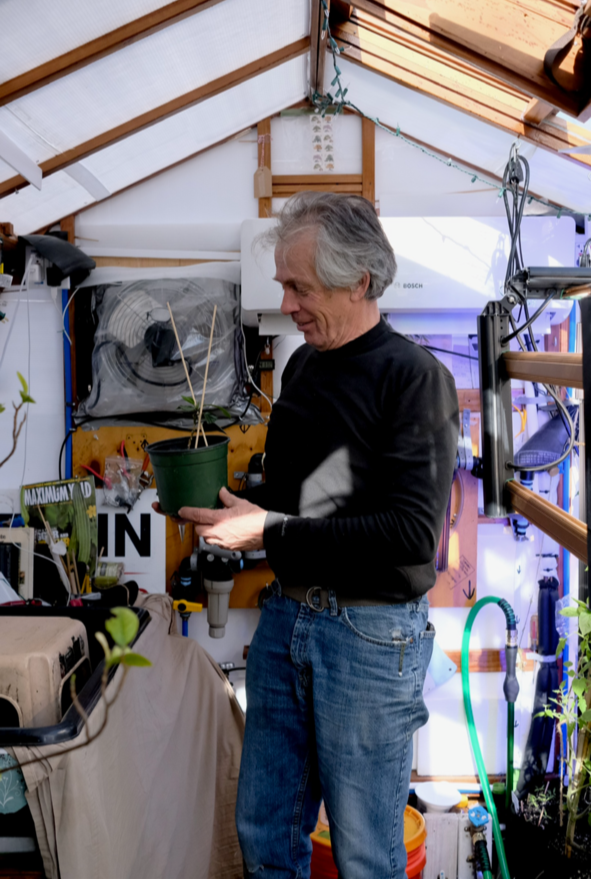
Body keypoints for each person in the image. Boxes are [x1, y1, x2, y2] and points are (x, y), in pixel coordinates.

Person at [160, 193, 459, 878]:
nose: (287, 301)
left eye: (300, 285)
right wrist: (241, 509)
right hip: (287, 620)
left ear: (358, 278)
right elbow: (300, 501)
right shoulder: (302, 367)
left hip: (369, 636)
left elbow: (410, 535)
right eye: (284, 283)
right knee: (264, 830)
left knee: (362, 851)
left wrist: (268, 527)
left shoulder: (413, 379)